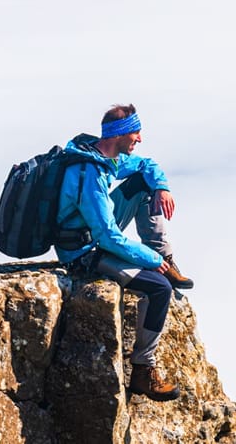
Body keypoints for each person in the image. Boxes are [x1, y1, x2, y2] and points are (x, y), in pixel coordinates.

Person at [54, 104, 194, 402]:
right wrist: (150, 262)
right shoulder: (87, 173)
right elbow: (108, 236)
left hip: (96, 235)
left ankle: (166, 256)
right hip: (85, 251)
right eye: (135, 132)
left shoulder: (105, 157)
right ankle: (143, 370)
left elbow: (147, 165)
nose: (139, 139)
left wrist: (162, 187)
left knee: (145, 183)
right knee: (159, 288)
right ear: (119, 134)